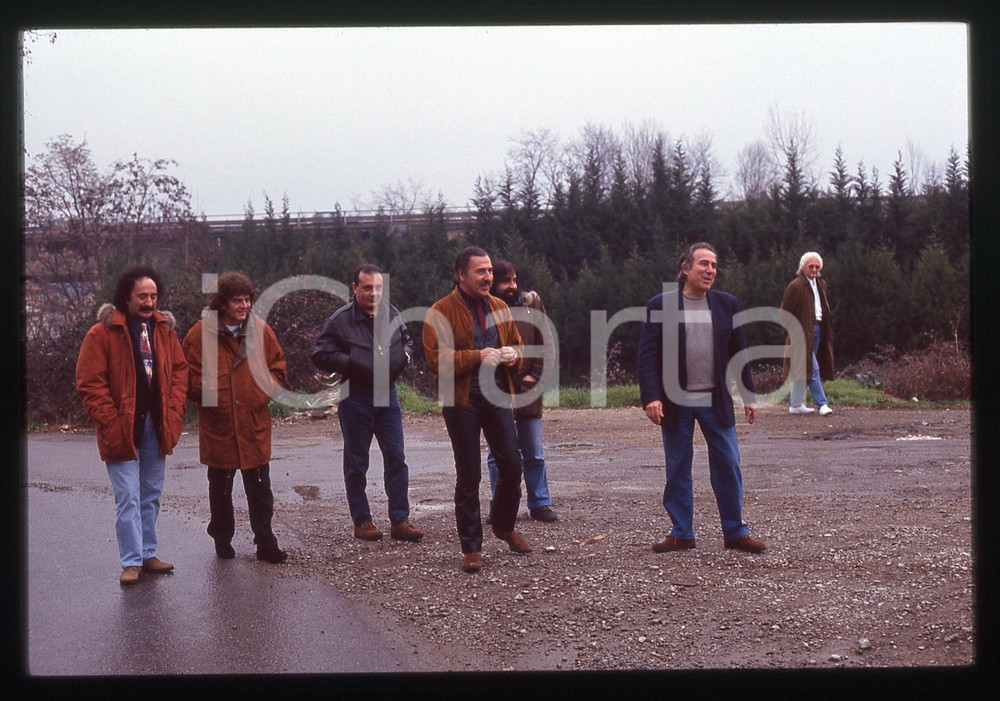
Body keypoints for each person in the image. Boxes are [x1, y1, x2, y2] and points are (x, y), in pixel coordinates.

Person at [637, 242, 766, 554]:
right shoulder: (660, 305)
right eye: (704, 264)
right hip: (675, 400)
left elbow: (738, 351)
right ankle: (682, 532)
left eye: (714, 265)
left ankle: (735, 532)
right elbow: (647, 356)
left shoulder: (726, 304)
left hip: (715, 400)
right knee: (678, 467)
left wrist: (748, 395)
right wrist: (651, 397)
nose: (710, 270)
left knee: (729, 464)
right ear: (686, 269)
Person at [76, 265, 188, 585]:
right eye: (142, 296)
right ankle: (131, 561)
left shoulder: (164, 331)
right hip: (120, 427)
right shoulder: (101, 334)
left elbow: (180, 374)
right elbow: (89, 383)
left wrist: (174, 412)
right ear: (126, 298)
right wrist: (110, 420)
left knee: (150, 494)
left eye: (153, 296)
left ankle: (148, 553)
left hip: (157, 424)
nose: (149, 302)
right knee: (127, 496)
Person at [422, 246, 532, 572]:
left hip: (497, 395)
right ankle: (471, 547)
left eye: (489, 271)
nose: (488, 277)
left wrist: (514, 355)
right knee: (469, 473)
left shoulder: (500, 306)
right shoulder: (439, 311)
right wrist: (477, 356)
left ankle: (503, 525)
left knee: (512, 465)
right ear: (461, 275)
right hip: (462, 400)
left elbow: (518, 345)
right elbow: (435, 360)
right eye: (480, 271)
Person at [181, 271, 289, 564]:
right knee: (220, 490)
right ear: (222, 303)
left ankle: (265, 542)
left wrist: (259, 395)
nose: (244, 306)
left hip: (253, 423)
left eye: (247, 300)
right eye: (237, 301)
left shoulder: (261, 330)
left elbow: (278, 367)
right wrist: (212, 394)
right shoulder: (199, 334)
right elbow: (185, 375)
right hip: (218, 424)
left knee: (260, 489)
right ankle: (221, 538)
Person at [311, 264, 423, 543]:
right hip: (355, 397)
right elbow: (320, 354)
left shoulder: (392, 313)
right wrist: (352, 363)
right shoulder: (340, 320)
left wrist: (405, 356)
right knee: (357, 462)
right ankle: (362, 521)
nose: (374, 293)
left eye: (378, 288)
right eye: (368, 288)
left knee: (396, 459)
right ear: (355, 288)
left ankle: (400, 520)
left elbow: (407, 340)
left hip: (388, 395)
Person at [485, 260, 559, 523]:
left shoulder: (531, 304)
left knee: (533, 451)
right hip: (497, 390)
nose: (512, 286)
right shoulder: (484, 309)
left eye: (514, 280)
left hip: (527, 388)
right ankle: (501, 507)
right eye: (506, 281)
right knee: (497, 455)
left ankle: (540, 503)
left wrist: (536, 375)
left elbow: (546, 341)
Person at [780, 251, 834, 416]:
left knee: (804, 368)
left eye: (817, 267)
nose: (814, 269)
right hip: (801, 334)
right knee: (813, 368)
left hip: (817, 330)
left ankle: (795, 404)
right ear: (803, 268)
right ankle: (822, 404)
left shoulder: (821, 284)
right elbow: (784, 313)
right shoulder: (795, 286)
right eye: (811, 266)